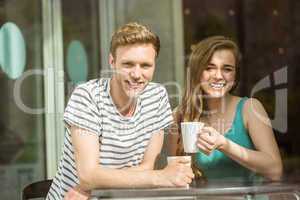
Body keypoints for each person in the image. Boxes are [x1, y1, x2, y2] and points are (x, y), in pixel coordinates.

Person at [46, 22, 194, 200]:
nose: (137, 74)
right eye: (128, 64)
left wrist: (95, 183)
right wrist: (160, 176)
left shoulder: (157, 96)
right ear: (112, 62)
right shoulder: (87, 96)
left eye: (145, 65)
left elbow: (147, 166)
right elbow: (88, 175)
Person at [168, 36, 282, 182]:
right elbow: (174, 179)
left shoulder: (250, 109)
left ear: (235, 75)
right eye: (209, 68)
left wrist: (224, 144)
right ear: (197, 71)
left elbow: (275, 171)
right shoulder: (179, 116)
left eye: (227, 69)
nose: (218, 76)